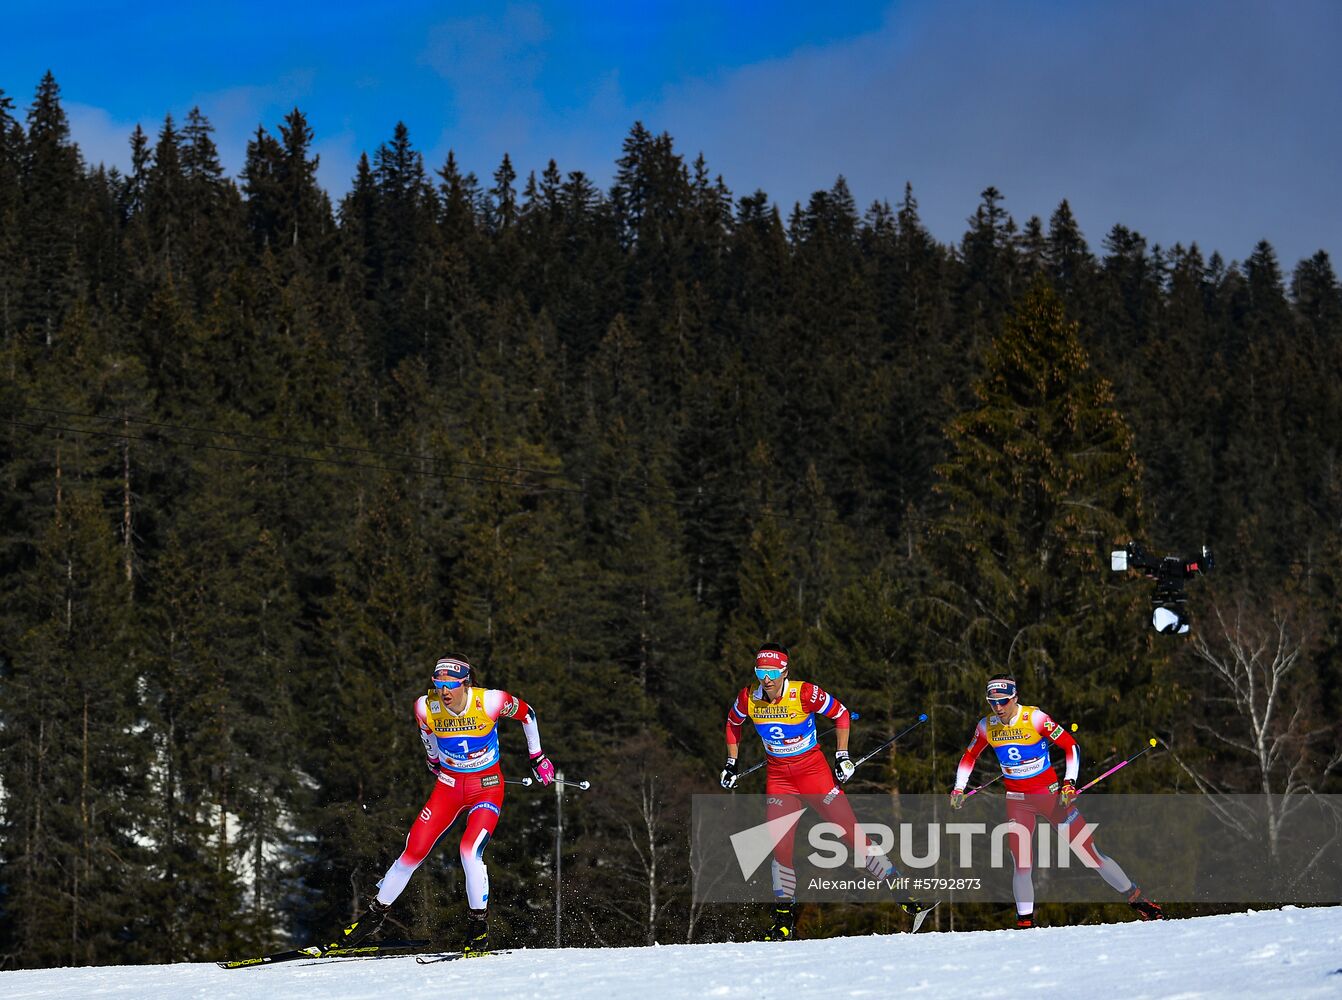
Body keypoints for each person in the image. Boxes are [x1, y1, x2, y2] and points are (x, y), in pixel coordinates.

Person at [335, 654, 556, 956]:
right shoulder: (425, 707)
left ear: (465, 683)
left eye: (451, 685)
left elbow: (528, 714)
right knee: (412, 851)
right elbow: (427, 734)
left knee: (468, 851)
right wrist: (434, 760)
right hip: (449, 787)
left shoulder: (490, 702)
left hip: (486, 787)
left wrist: (537, 757)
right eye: (439, 684)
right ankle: (372, 917)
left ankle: (478, 929)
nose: (444, 691)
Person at [721, 642, 926, 940]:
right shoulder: (749, 697)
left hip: (814, 775)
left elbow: (841, 714)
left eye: (772, 672)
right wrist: (730, 763)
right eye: (760, 671)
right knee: (781, 847)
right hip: (780, 780)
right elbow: (732, 723)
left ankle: (904, 895)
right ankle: (783, 921)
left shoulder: (804, 693)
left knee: (852, 835)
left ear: (784, 671)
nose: (766, 679)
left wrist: (842, 756)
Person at [949, 674, 1164, 927]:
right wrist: (958, 788)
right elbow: (969, 756)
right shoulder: (986, 726)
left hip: (1051, 797)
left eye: (1004, 701)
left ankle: (1137, 899)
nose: (998, 708)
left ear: (1015, 698)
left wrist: (1069, 783)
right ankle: (1025, 923)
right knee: (1021, 863)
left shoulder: (1035, 718)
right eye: (992, 702)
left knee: (1089, 854)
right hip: (1017, 801)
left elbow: (1071, 747)